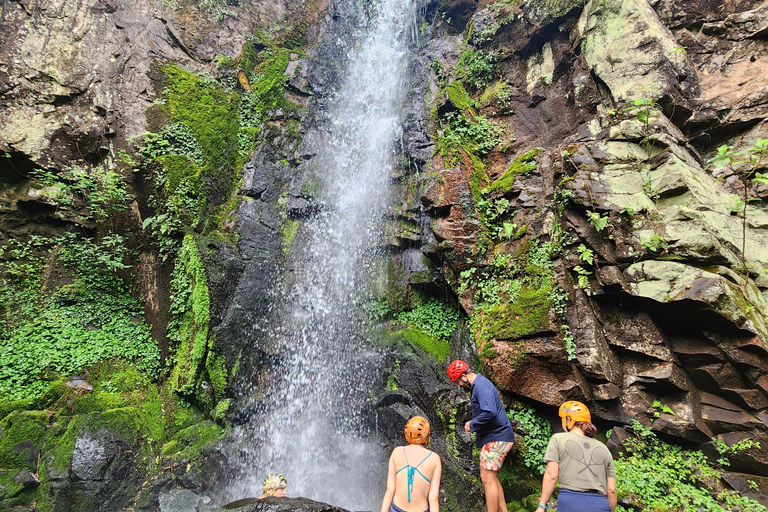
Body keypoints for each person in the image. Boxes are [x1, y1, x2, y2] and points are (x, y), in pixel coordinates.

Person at [447, 360, 515, 512]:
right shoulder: (479, 385)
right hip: (498, 437)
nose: (459, 385)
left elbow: (489, 412)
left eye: (458, 381)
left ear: (464, 375)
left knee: (487, 478)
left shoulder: (481, 386)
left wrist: (472, 424)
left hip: (497, 437)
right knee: (492, 478)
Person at [535, 401, 617, 512]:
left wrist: (542, 506)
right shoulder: (603, 448)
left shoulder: (559, 439)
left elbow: (552, 475)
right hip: (600, 504)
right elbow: (611, 490)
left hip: (571, 502)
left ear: (568, 420)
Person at [380, 416, 442, 512]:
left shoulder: (397, 452)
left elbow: (390, 489)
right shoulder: (434, 459)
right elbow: (433, 497)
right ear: (427, 436)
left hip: (396, 509)